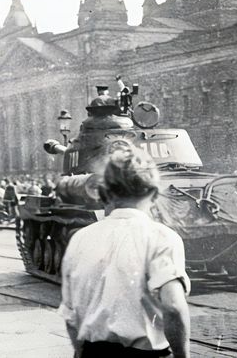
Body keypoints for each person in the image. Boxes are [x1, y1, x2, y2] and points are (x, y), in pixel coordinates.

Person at [58, 146, 191, 357]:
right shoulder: (163, 237)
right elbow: (173, 307)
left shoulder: (79, 238)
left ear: (104, 194)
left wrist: (80, 352)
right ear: (155, 194)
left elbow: (70, 315)